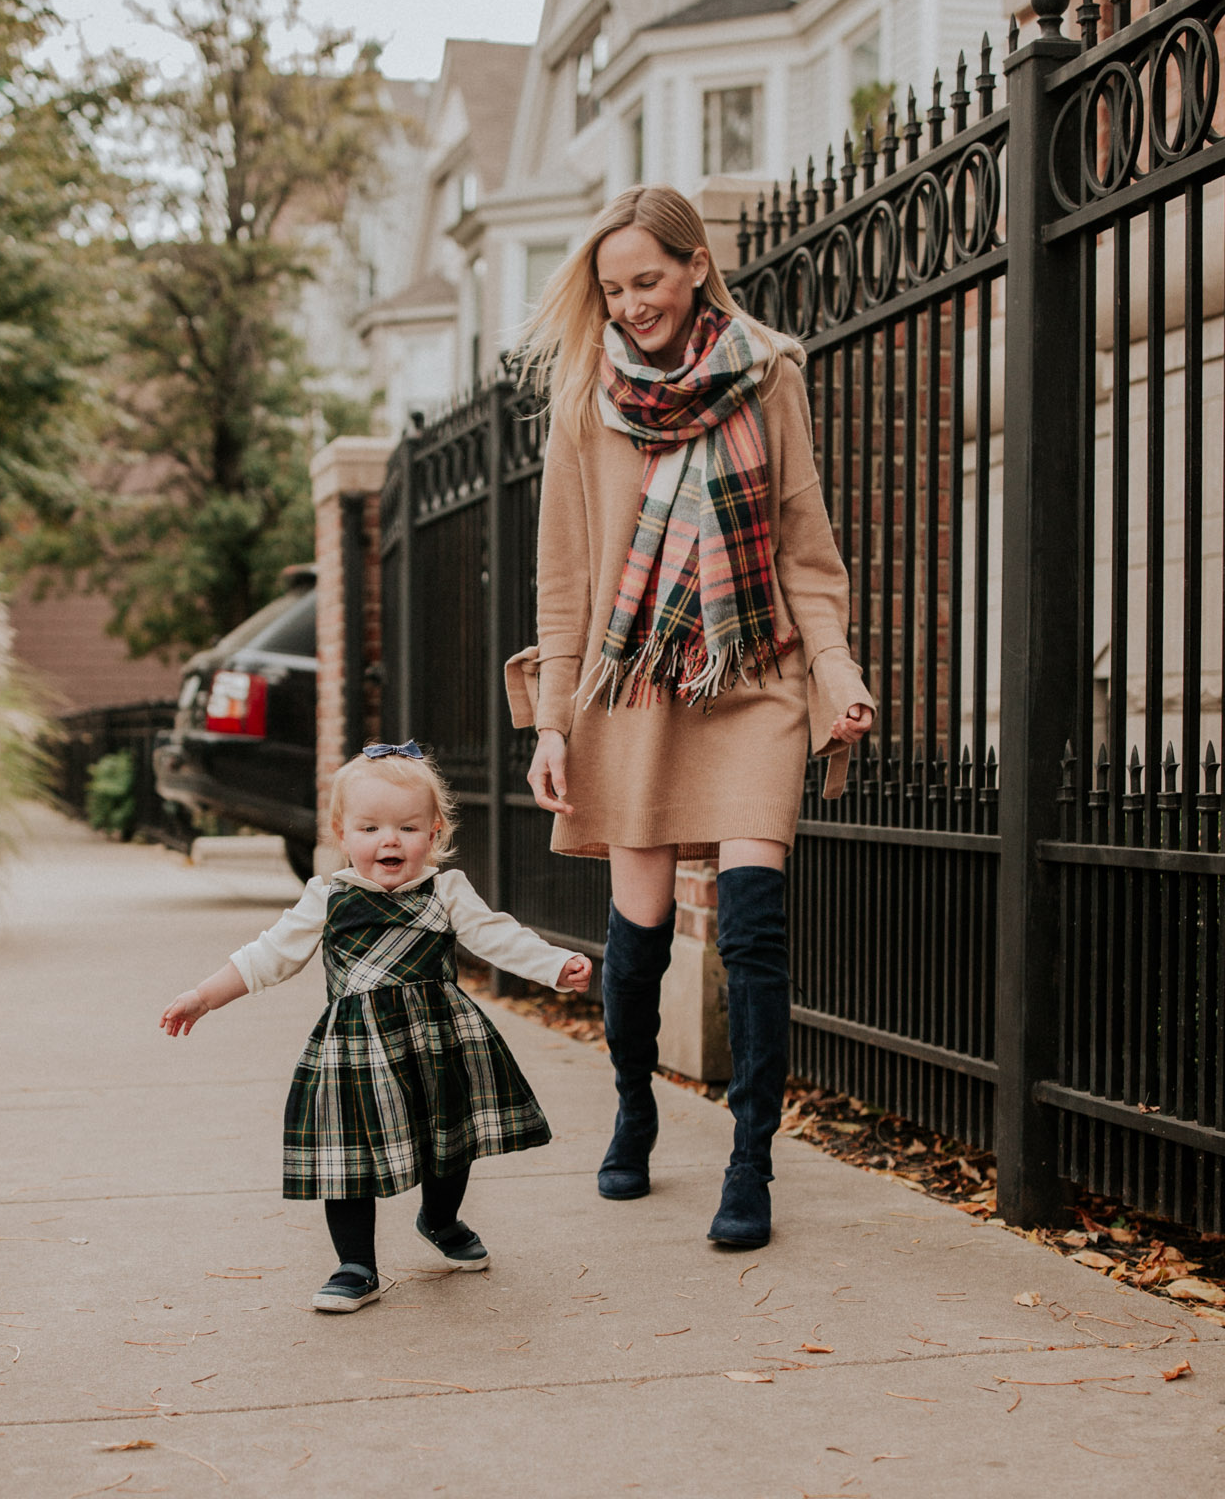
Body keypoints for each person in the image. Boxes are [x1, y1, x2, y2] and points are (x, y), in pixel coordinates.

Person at [514, 184, 874, 1251]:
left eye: (648, 281)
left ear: (696, 268)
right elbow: (566, 577)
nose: (630, 305)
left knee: (755, 930)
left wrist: (835, 670)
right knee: (641, 940)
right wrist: (550, 720)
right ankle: (633, 1107)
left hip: (751, 674)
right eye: (613, 288)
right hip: (634, 689)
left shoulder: (769, 377)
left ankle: (751, 1158)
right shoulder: (585, 404)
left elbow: (806, 544)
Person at [159, 742, 592, 1313]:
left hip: (440, 1040)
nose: (389, 840)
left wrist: (554, 966)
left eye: (407, 828)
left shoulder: (445, 890)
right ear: (343, 833)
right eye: (370, 828)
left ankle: (440, 1219)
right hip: (355, 1051)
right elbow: (268, 956)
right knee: (348, 1156)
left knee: (450, 1138)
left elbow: (497, 936)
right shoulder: (328, 897)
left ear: (433, 833)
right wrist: (204, 996)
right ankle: (355, 1263)